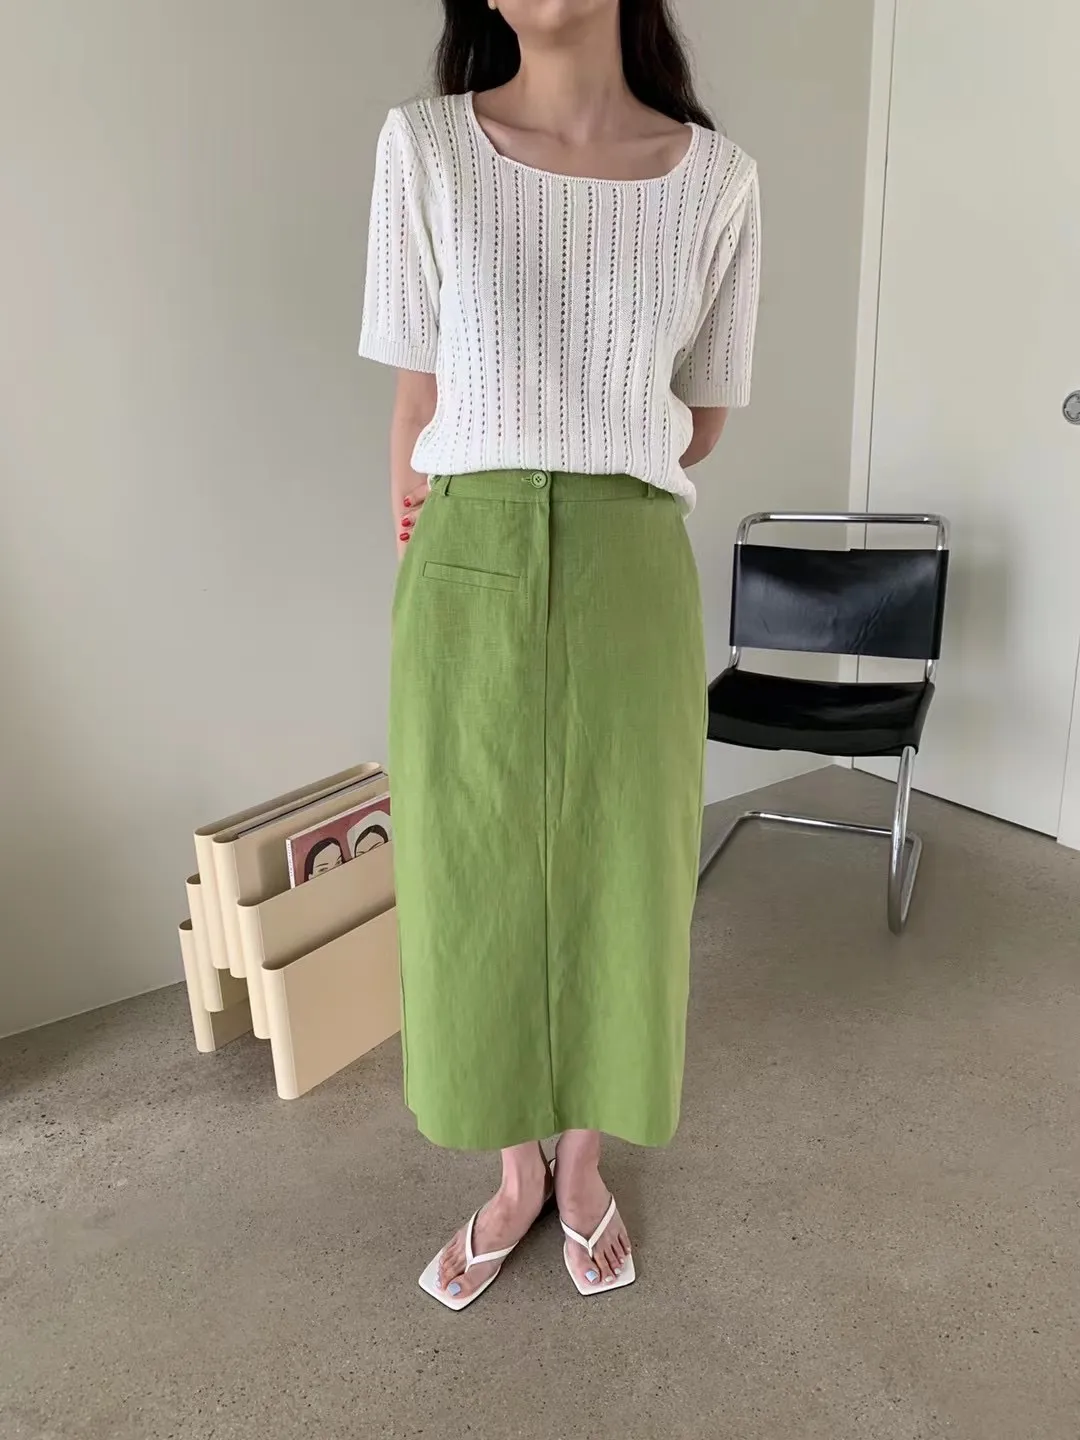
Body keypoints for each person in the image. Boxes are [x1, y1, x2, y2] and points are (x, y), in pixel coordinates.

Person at [359, 0, 760, 1310]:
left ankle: (579, 1169)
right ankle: (512, 1175)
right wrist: (426, 538)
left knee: (623, 864)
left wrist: (594, 442)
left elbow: (702, 412)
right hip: (465, 548)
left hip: (627, 555)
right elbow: (416, 392)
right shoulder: (423, 148)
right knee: (469, 863)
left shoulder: (718, 180)